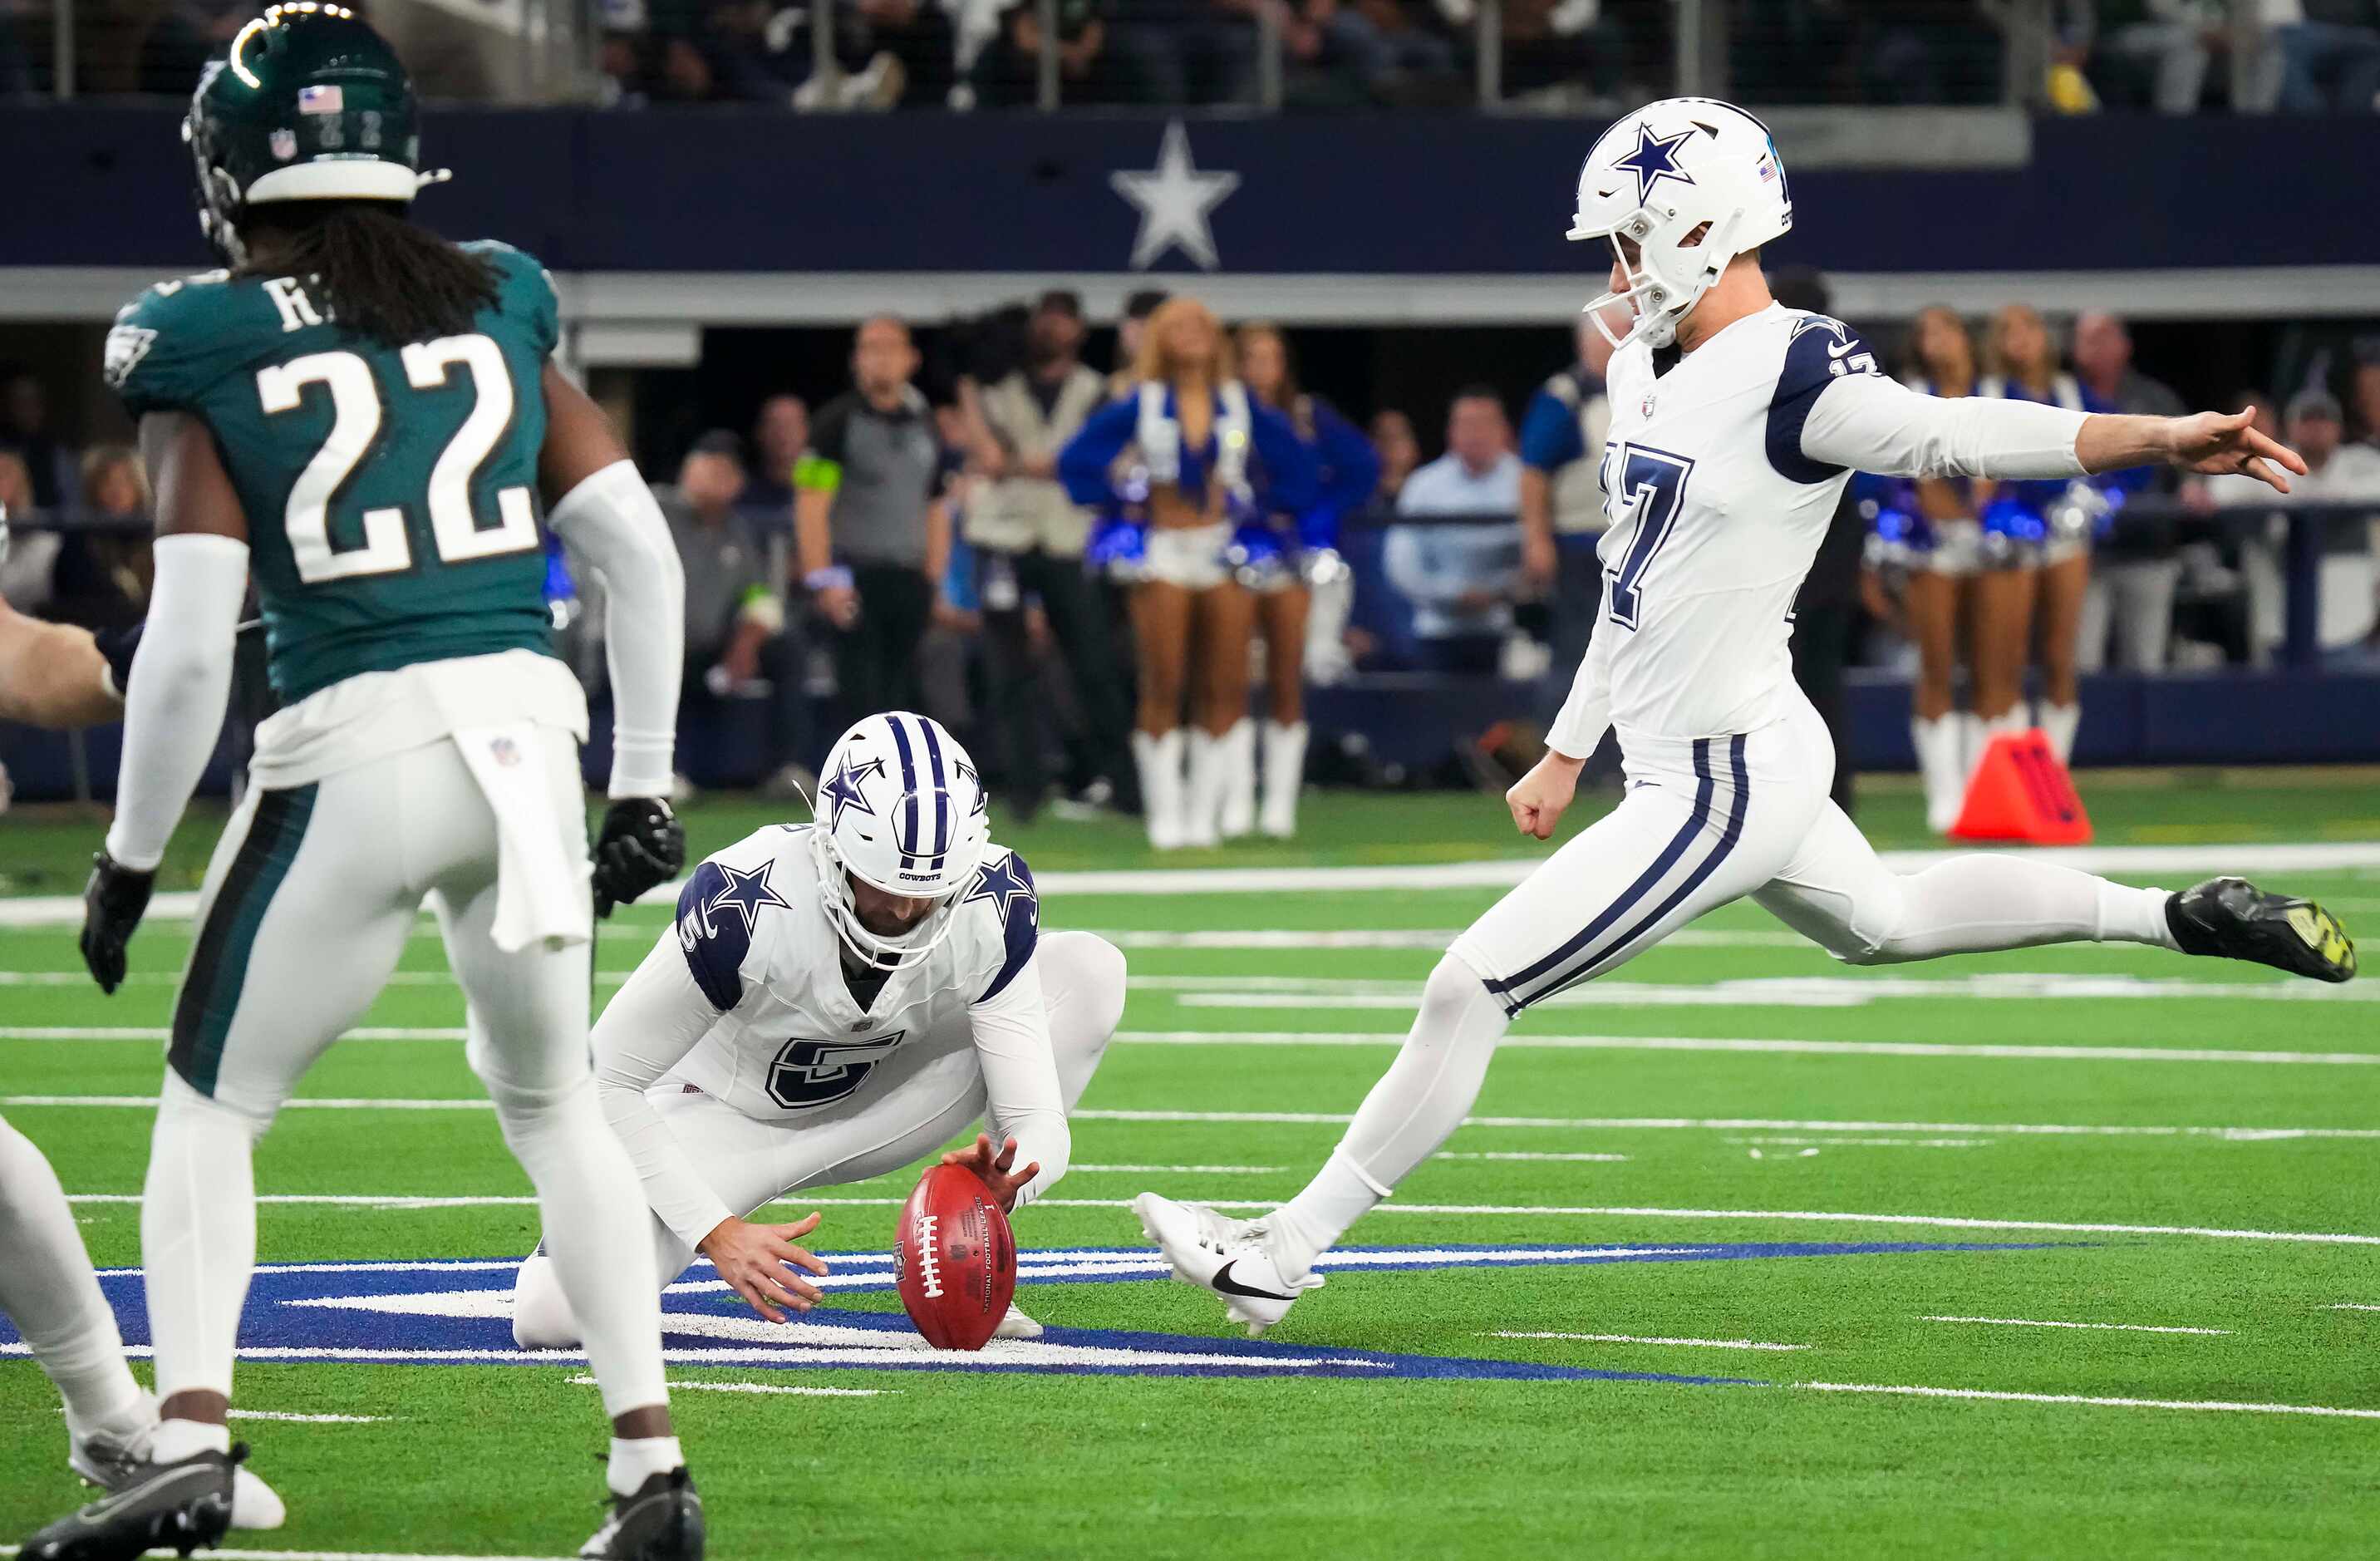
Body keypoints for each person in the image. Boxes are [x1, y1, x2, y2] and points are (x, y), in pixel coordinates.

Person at [1135, 96, 2353, 1338]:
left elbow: (1949, 434)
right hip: (1726, 754)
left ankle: (1280, 1250)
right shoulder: (1640, 363)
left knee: (1471, 986)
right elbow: (1630, 576)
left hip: (1721, 776)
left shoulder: (1798, 365)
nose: (1615, 271)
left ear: (1698, 229)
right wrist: (1567, 743)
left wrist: (2152, 434)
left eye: (1627, 241)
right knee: (1885, 921)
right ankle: (2180, 916)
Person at [36, 11, 703, 1556]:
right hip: (528, 739)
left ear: (229, 169)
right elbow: (637, 556)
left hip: (350, 740)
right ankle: (648, 1471)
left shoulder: (202, 337)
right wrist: (646, 787)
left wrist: (129, 854)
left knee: (212, 1103)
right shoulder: (500, 296)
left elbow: (192, 646)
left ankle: (189, 1437)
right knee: (555, 1110)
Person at [511, 712, 1127, 1347]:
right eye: (881, 882)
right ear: (831, 846)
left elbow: (1037, 1120)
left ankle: (970, 1260)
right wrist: (714, 1231)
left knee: (1089, 970)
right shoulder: (746, 902)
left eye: (933, 890)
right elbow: (601, 1082)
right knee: (551, 1315)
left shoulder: (991, 900)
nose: (905, 910)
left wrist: (1009, 1181)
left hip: (888, 1102)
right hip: (724, 1118)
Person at [1058, 297, 1315, 849]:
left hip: (1223, 549)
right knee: (1163, 681)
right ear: (1157, 338)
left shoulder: (1239, 404)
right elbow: (1076, 459)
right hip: (1163, 550)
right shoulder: (1143, 402)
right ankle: (1165, 814)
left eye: (1202, 324)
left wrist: (1268, 511)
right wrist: (1121, 503)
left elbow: (1299, 467)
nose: (1193, 334)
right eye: (1177, 326)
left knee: (1223, 684)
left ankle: (1205, 816)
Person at [965, 290, 1135, 821]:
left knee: (1094, 667)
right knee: (1006, 672)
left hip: (1066, 539)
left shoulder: (1096, 391)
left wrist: (1029, 463)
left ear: (1080, 331)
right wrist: (1030, 463)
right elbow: (988, 459)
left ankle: (1125, 785)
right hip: (1003, 538)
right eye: (1046, 321)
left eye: (1064, 322)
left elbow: (1100, 463)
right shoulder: (996, 387)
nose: (1053, 330)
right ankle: (1023, 795)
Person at [1231, 322, 1379, 838]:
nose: (1263, 368)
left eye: (1273, 357)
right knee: (1236, 675)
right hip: (1237, 556)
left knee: (1297, 669)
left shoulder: (1306, 415)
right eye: (1253, 356)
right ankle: (1235, 795)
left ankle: (1280, 802)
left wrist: (1319, 517)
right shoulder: (1222, 413)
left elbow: (1362, 466)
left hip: (1300, 558)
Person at [797, 316, 952, 736]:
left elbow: (936, 501)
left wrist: (935, 576)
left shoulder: (925, 424)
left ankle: (903, 790)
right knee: (861, 691)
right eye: (870, 348)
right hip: (853, 574)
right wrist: (824, 577)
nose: (880, 359)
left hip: (910, 575)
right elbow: (810, 506)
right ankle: (859, 790)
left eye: (890, 348)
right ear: (856, 360)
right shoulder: (834, 423)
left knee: (903, 689)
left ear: (911, 359)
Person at [1976, 303, 2101, 765]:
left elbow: (2112, 451)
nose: (2019, 340)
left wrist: (2092, 503)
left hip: (2066, 534)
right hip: (2007, 538)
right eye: (2007, 330)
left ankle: (2054, 775)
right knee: (2003, 659)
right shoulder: (1986, 392)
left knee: (2059, 656)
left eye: (2027, 328)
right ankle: (2007, 777)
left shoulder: (2070, 390)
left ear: (2045, 338)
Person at [1766, 266, 1866, 817]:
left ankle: (1799, 797)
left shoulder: (1782, 365)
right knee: (1823, 681)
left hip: (1798, 543)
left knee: (1789, 680)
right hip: (1836, 540)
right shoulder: (1841, 360)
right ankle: (1831, 799)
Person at [1895, 305, 1992, 830]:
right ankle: (1944, 792)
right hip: (1931, 543)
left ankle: (1984, 788)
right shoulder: (1907, 392)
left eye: (1944, 330)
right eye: (1924, 332)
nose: (1935, 342)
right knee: (1935, 662)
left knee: (1990, 666)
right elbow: (1892, 473)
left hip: (1997, 542)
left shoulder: (1995, 388)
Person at [2218, 389, 2380, 662]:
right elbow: (2221, 492)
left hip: (2353, 625)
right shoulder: (2270, 464)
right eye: (2307, 420)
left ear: (2339, 427)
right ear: (2290, 426)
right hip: (2282, 627)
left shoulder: (2360, 461)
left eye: (2324, 420)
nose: (2316, 428)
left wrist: (2305, 498)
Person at [2072, 311, 2188, 677]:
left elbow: (2185, 466)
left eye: (2103, 336)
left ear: (2125, 346)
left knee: (2146, 664)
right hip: (2083, 556)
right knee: (2082, 664)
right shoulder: (2062, 396)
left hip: (2148, 550)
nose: (2093, 346)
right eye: (2085, 338)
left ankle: (2149, 737)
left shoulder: (2154, 398)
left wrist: (2194, 487)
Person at [1518, 312, 1619, 721]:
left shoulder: (1653, 385)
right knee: (1578, 647)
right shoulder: (1565, 396)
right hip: (1581, 542)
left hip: (1636, 542)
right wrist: (1537, 540)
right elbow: (1533, 473)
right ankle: (1566, 754)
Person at [1385, 387, 1524, 674]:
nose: (1476, 434)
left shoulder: (1526, 483)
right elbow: (1401, 564)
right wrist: (1453, 594)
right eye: (1467, 424)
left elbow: (1540, 553)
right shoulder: (1423, 485)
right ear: (1451, 431)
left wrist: (1499, 592)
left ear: (1504, 430)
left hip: (1511, 630)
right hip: (1436, 631)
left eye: (1484, 424)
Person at [741, 392, 808, 524]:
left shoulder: (833, 487)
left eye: (792, 424)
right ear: (759, 433)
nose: (783, 433)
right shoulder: (740, 493)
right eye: (774, 424)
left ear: (807, 431)